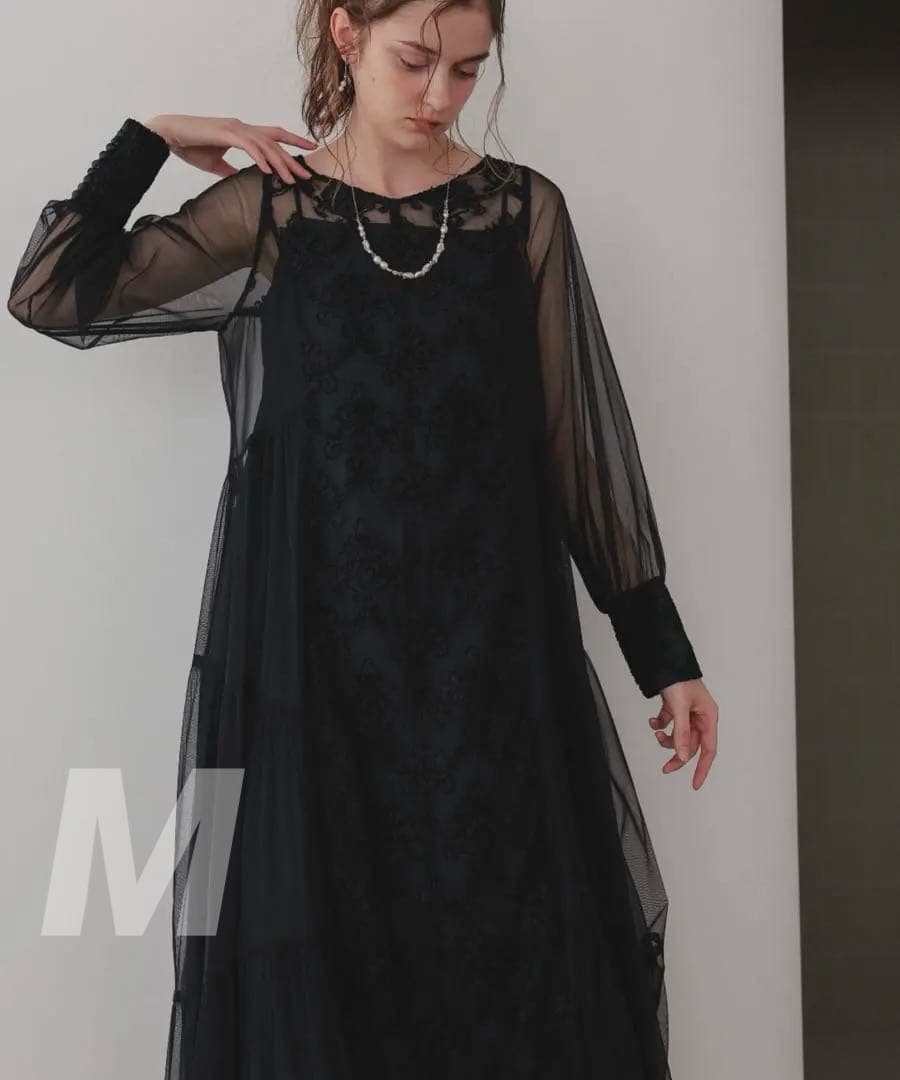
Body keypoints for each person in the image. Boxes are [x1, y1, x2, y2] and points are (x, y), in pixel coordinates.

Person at [7, 1, 719, 1077]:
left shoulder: (520, 216)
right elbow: (51, 291)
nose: (440, 97)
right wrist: (153, 136)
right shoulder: (274, 214)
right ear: (346, 36)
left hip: (493, 681)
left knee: (513, 981)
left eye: (467, 71)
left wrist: (663, 654)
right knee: (326, 988)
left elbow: (579, 449)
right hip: (313, 684)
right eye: (416, 61)